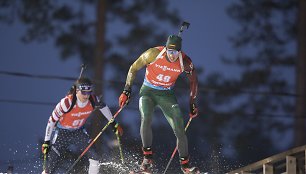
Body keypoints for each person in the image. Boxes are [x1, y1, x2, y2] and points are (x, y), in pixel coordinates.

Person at [119, 35, 200, 174]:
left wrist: (192, 103)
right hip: (148, 91)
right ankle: (147, 161)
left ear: (180, 51)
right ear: (166, 48)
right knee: (146, 118)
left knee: (179, 127)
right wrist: (126, 90)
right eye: (170, 51)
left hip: (166, 94)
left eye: (175, 52)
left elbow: (193, 81)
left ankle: (185, 166)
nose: (172, 55)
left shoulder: (185, 62)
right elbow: (133, 68)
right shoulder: (153, 53)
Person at [42, 77, 123, 174]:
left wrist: (114, 123)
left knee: (95, 157)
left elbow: (104, 107)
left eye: (89, 92)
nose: (86, 95)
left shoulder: (93, 100)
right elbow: (51, 121)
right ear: (77, 91)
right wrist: (46, 141)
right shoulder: (67, 103)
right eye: (84, 92)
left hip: (78, 132)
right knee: (51, 163)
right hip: (62, 133)